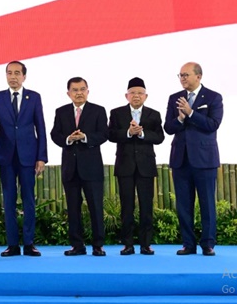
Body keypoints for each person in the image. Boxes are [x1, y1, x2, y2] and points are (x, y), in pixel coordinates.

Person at [0, 61, 47, 257]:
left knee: (28, 200)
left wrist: (41, 156)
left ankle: (29, 243)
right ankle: (12, 245)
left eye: (17, 73)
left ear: (24, 76)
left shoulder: (33, 97)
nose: (13, 76)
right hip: (6, 156)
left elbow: (40, 127)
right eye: (9, 73)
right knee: (8, 201)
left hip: (28, 156)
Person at [164, 62, 223, 256]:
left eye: (186, 75)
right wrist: (180, 119)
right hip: (181, 159)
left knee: (207, 203)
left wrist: (191, 113)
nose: (182, 78)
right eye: (180, 75)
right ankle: (188, 244)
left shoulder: (213, 97)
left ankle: (208, 244)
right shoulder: (174, 98)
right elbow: (168, 128)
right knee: (183, 204)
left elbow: (212, 124)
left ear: (198, 76)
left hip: (205, 160)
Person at [50, 77, 108, 256]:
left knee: (95, 207)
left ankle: (98, 245)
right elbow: (55, 134)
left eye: (82, 89)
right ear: (68, 93)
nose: (79, 93)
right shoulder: (61, 112)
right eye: (75, 90)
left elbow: (104, 134)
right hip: (70, 168)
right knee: (73, 208)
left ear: (88, 91)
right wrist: (69, 139)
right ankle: (77, 245)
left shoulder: (98, 110)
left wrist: (84, 137)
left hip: (91, 167)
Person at [108, 77, 164, 256]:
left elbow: (159, 137)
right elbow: (110, 135)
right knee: (127, 207)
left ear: (146, 96)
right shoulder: (116, 113)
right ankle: (127, 244)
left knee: (146, 207)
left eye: (140, 93)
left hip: (146, 166)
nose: (136, 96)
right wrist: (127, 132)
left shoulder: (153, 114)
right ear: (127, 95)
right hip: (125, 165)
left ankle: (146, 245)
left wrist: (141, 134)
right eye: (133, 93)